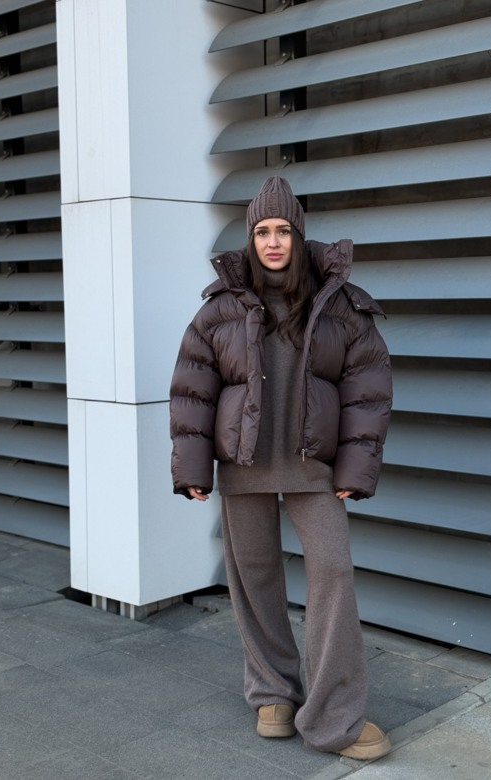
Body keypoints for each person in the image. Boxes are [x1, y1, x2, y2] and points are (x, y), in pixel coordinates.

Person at [169, 176, 393, 760]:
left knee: (333, 573)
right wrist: (192, 468)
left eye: (283, 231)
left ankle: (334, 717)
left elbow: (368, 387)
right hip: (243, 463)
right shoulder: (219, 309)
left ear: (299, 235)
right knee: (254, 577)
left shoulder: (338, 303)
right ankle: (272, 693)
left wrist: (355, 469)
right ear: (250, 238)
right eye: (262, 232)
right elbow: (192, 388)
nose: (272, 242)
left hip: (312, 466)